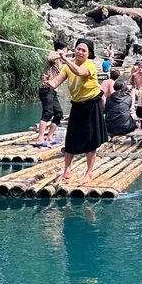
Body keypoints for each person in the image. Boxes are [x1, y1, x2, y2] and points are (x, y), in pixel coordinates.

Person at [44, 39, 106, 183]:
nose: (80, 52)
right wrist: (48, 82)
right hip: (77, 105)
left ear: (89, 54)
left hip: (92, 104)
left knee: (91, 140)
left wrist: (65, 59)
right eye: (78, 49)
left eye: (84, 50)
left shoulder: (89, 65)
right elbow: (55, 83)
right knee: (71, 139)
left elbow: (79, 72)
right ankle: (67, 171)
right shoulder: (66, 67)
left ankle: (89, 173)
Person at [36, 41, 66, 146]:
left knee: (59, 114)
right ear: (63, 49)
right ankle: (40, 139)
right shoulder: (53, 55)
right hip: (46, 89)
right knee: (48, 112)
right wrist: (60, 53)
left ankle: (49, 138)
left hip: (53, 91)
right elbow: (49, 58)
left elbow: (68, 61)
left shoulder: (61, 61)